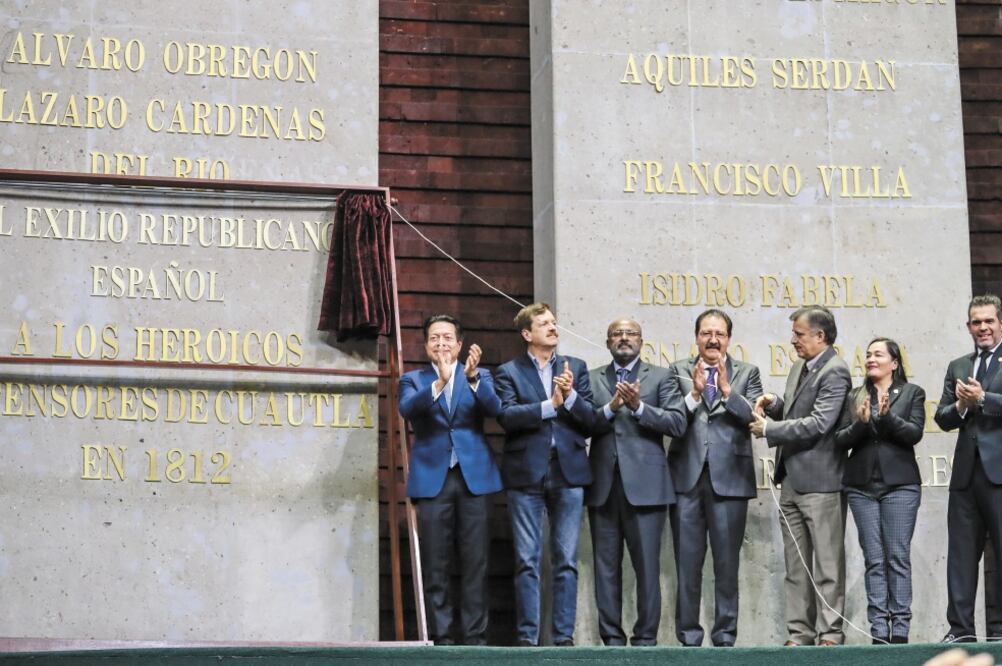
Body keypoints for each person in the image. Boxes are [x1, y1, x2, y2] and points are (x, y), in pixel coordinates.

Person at [494, 303, 596, 647]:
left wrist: (568, 399)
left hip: (568, 474)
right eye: (544, 323)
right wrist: (549, 406)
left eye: (554, 322)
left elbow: (592, 420)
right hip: (526, 476)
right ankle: (527, 639)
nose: (553, 327)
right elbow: (506, 416)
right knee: (527, 561)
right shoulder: (508, 371)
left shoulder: (576, 368)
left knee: (566, 561)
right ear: (527, 334)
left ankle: (563, 638)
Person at [398, 314, 503, 646]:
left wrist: (470, 378)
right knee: (436, 564)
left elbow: (495, 408)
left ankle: (475, 639)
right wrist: (440, 383)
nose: (440, 343)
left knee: (476, 562)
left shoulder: (479, 375)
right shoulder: (413, 380)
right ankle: (441, 639)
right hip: (433, 480)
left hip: (475, 479)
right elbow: (407, 410)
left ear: (459, 344)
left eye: (447, 338)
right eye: (434, 338)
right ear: (426, 345)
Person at [750, 305, 851, 646]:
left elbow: (819, 423)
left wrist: (770, 428)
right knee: (796, 569)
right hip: (791, 481)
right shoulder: (798, 368)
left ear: (820, 336)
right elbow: (799, 410)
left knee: (826, 566)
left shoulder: (836, 371)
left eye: (799, 334)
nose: (793, 340)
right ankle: (799, 633)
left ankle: (830, 634)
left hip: (822, 483)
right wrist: (776, 403)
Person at [586, 317, 686, 646]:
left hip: (648, 489)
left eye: (631, 334)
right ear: (607, 341)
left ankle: (645, 640)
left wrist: (639, 406)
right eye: (617, 334)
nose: (624, 338)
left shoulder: (661, 376)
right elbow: (583, 424)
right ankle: (611, 640)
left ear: (642, 341)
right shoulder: (591, 378)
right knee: (605, 568)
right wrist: (611, 408)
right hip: (603, 486)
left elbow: (676, 422)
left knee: (647, 569)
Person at [669, 309, 763, 647]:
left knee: (726, 566)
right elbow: (672, 419)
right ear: (696, 337)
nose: (713, 339)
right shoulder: (678, 370)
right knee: (687, 566)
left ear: (728, 339)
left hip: (730, 481)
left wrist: (725, 390)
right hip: (686, 480)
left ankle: (725, 638)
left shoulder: (747, 373)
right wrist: (694, 395)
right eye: (706, 333)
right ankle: (689, 639)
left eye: (719, 334)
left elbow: (752, 417)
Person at [834, 337, 925, 644]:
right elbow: (841, 439)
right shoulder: (855, 395)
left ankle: (899, 629)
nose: (871, 358)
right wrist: (860, 424)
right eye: (869, 354)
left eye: (878, 354)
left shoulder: (912, 393)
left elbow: (914, 433)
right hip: (861, 488)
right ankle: (878, 631)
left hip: (900, 486)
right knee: (874, 558)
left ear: (894, 363)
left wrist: (887, 418)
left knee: (897, 557)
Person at [935, 294, 1002, 643]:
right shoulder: (958, 365)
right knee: (960, 556)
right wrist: (961, 404)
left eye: (989, 321)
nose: (983, 328)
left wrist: (984, 400)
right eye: (976, 322)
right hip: (965, 474)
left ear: (1000, 323)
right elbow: (941, 417)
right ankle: (961, 630)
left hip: (1000, 474)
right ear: (968, 327)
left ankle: (1000, 631)